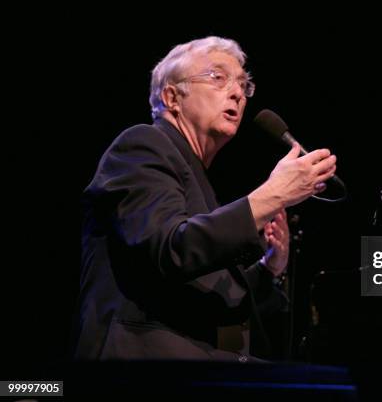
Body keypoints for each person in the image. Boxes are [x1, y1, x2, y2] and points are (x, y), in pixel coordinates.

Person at [73, 36, 336, 361]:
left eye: (243, 84)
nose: (238, 93)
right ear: (172, 97)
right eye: (218, 77)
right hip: (138, 366)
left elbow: (213, 299)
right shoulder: (141, 146)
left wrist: (270, 267)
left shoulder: (200, 183)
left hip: (198, 363)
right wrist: (272, 195)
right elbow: (172, 248)